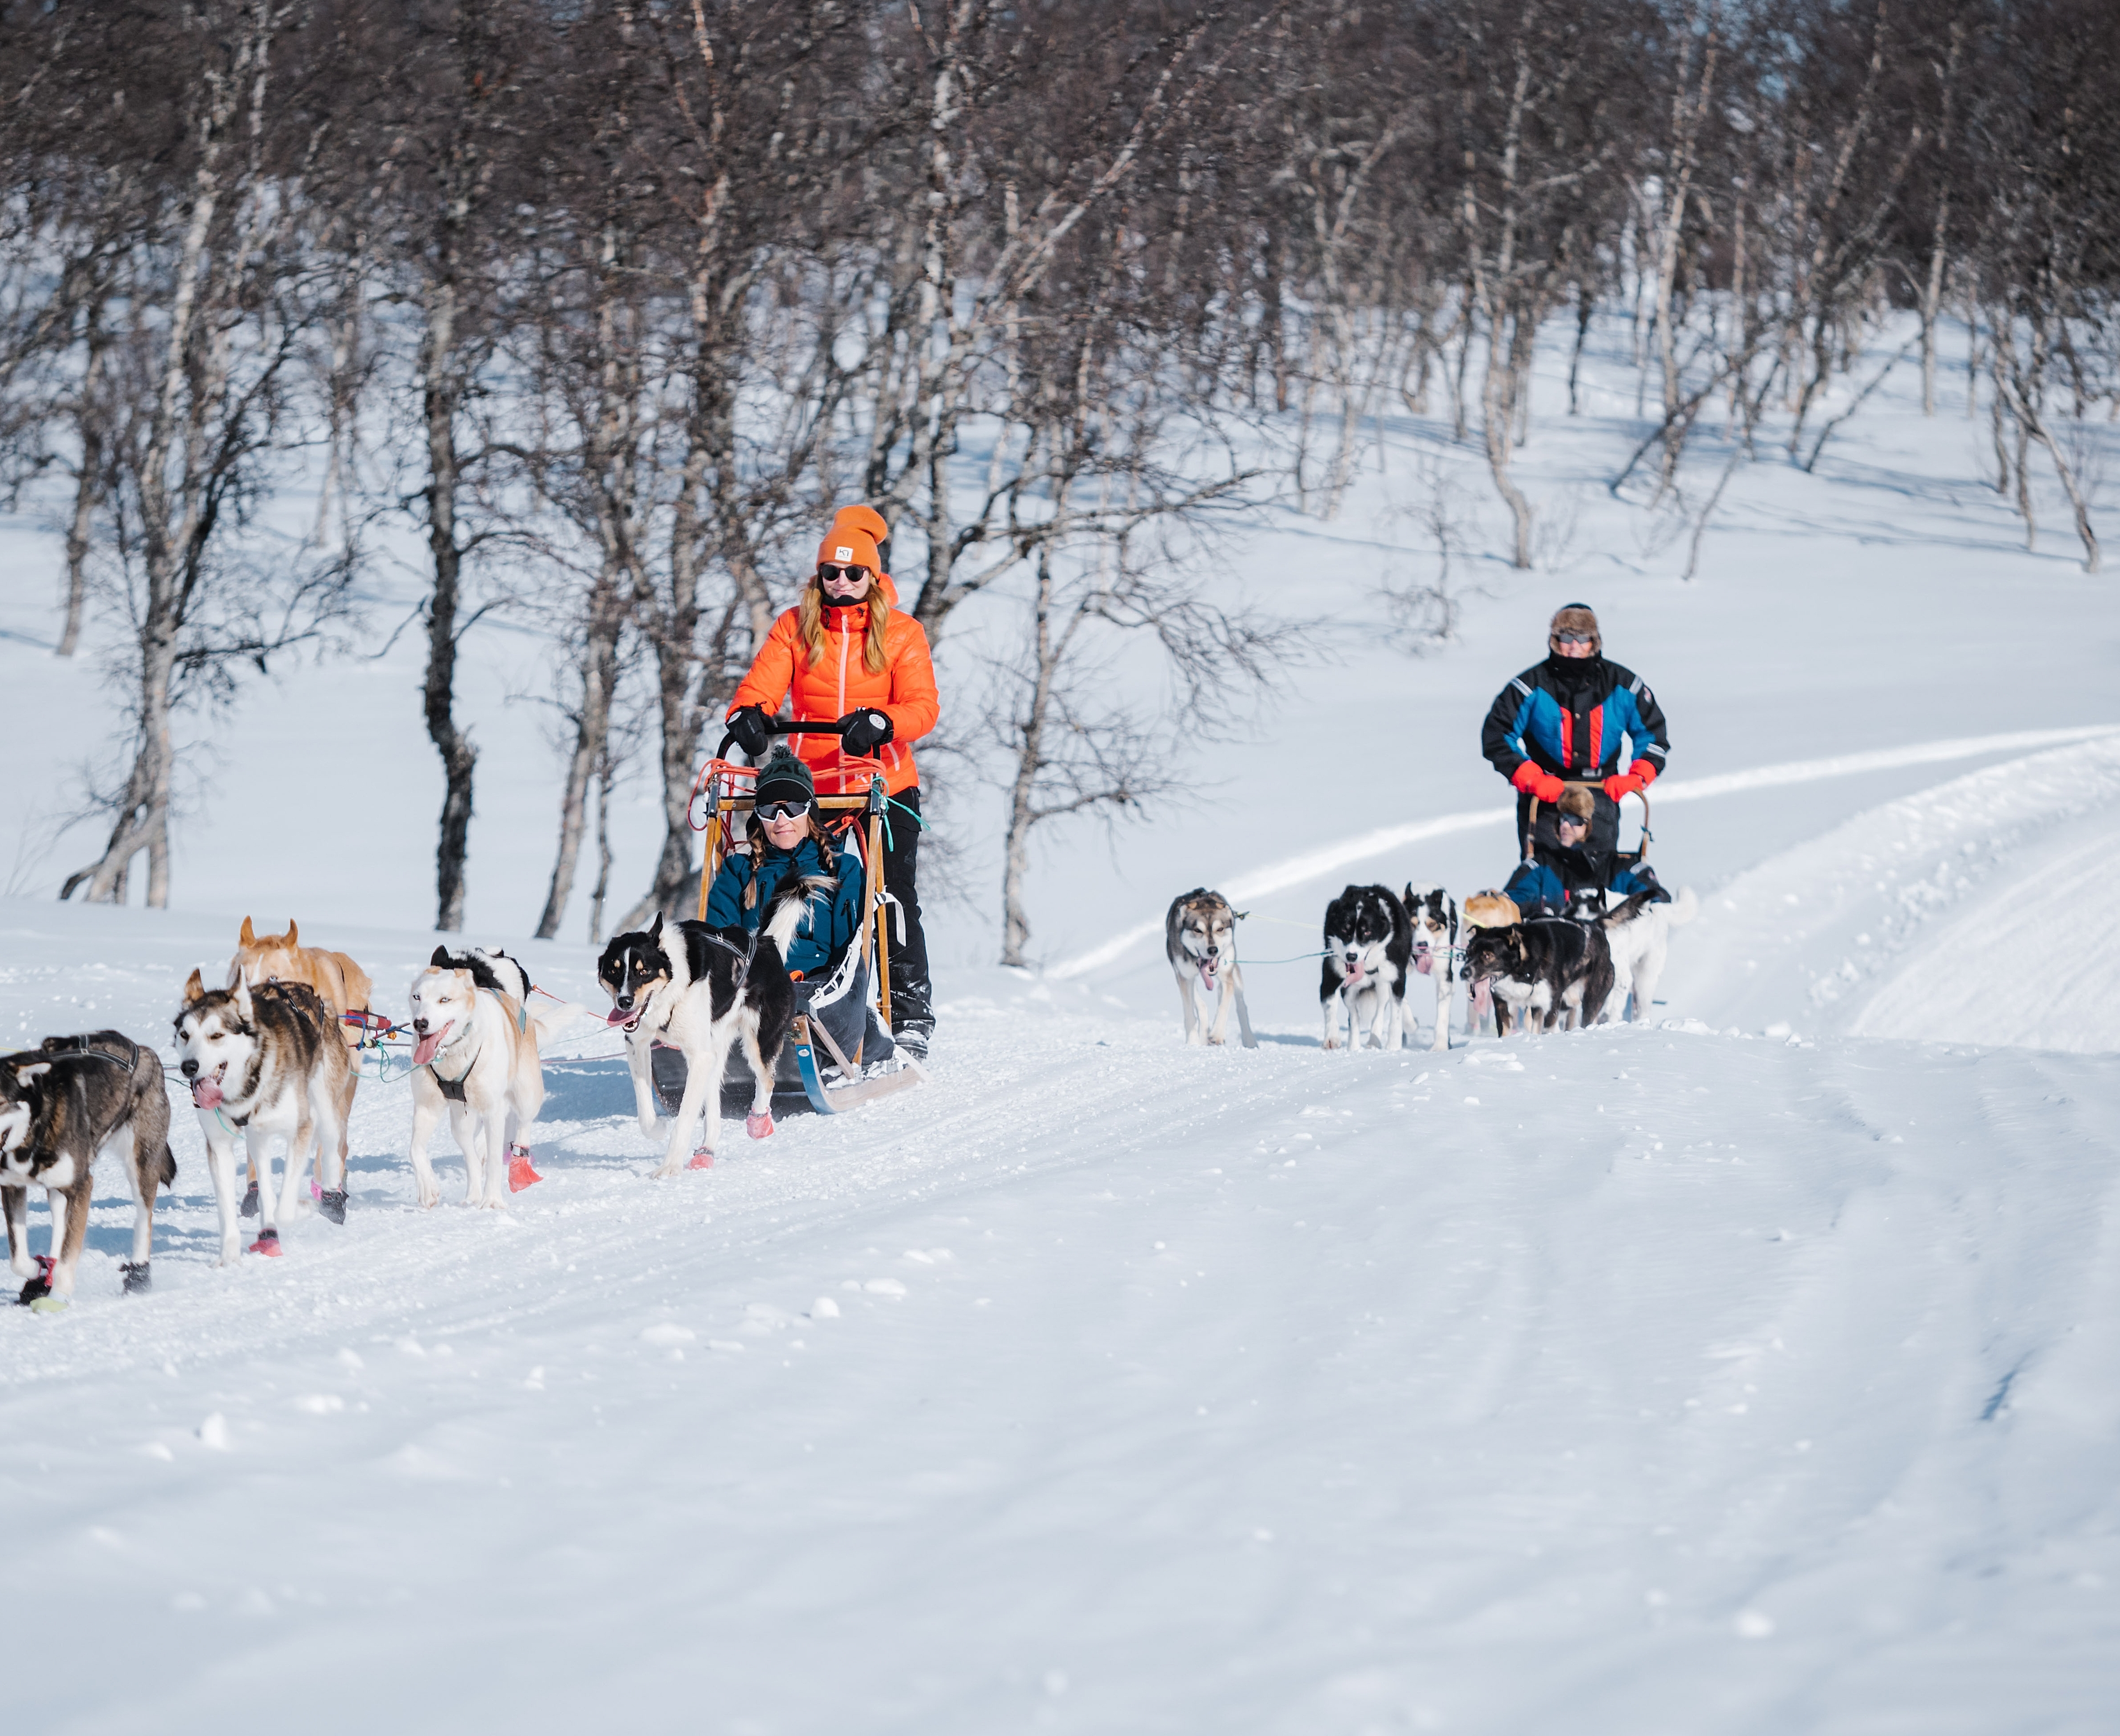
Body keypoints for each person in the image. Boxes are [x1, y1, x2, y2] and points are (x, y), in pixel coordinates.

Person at [724, 517, 941, 1057]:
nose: (840, 581)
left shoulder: (901, 633)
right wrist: (747, 716)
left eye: (852, 572)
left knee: (890, 897)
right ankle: (801, 998)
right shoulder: (795, 627)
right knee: (804, 890)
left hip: (883, 785)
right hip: (815, 787)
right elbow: (760, 688)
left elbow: (923, 706)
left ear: (872, 575)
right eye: (830, 572)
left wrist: (884, 722)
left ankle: (910, 1013)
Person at [703, 747, 892, 1068]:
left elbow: (848, 958)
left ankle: (848, 1039)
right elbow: (718, 945)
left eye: (792, 808)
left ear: (810, 812)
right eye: (769, 810)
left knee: (801, 1006)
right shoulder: (738, 872)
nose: (781, 820)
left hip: (820, 994)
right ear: (758, 817)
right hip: (749, 991)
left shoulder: (842, 871)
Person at [1481, 601, 1670, 860]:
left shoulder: (1623, 684)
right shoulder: (1529, 685)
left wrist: (1636, 778)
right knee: (1542, 884)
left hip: (1601, 794)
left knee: (1593, 881)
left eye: (1582, 638)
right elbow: (1496, 735)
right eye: (1566, 637)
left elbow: (1653, 734)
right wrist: (1531, 778)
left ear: (1594, 642)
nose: (1573, 646)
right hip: (1545, 795)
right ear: (1554, 640)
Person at [1501, 785, 1666, 918]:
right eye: (1563, 819)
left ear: (1595, 826)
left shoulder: (1626, 869)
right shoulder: (1542, 867)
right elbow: (1512, 902)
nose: (1564, 826)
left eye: (1574, 820)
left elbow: (1657, 902)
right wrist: (1495, 904)